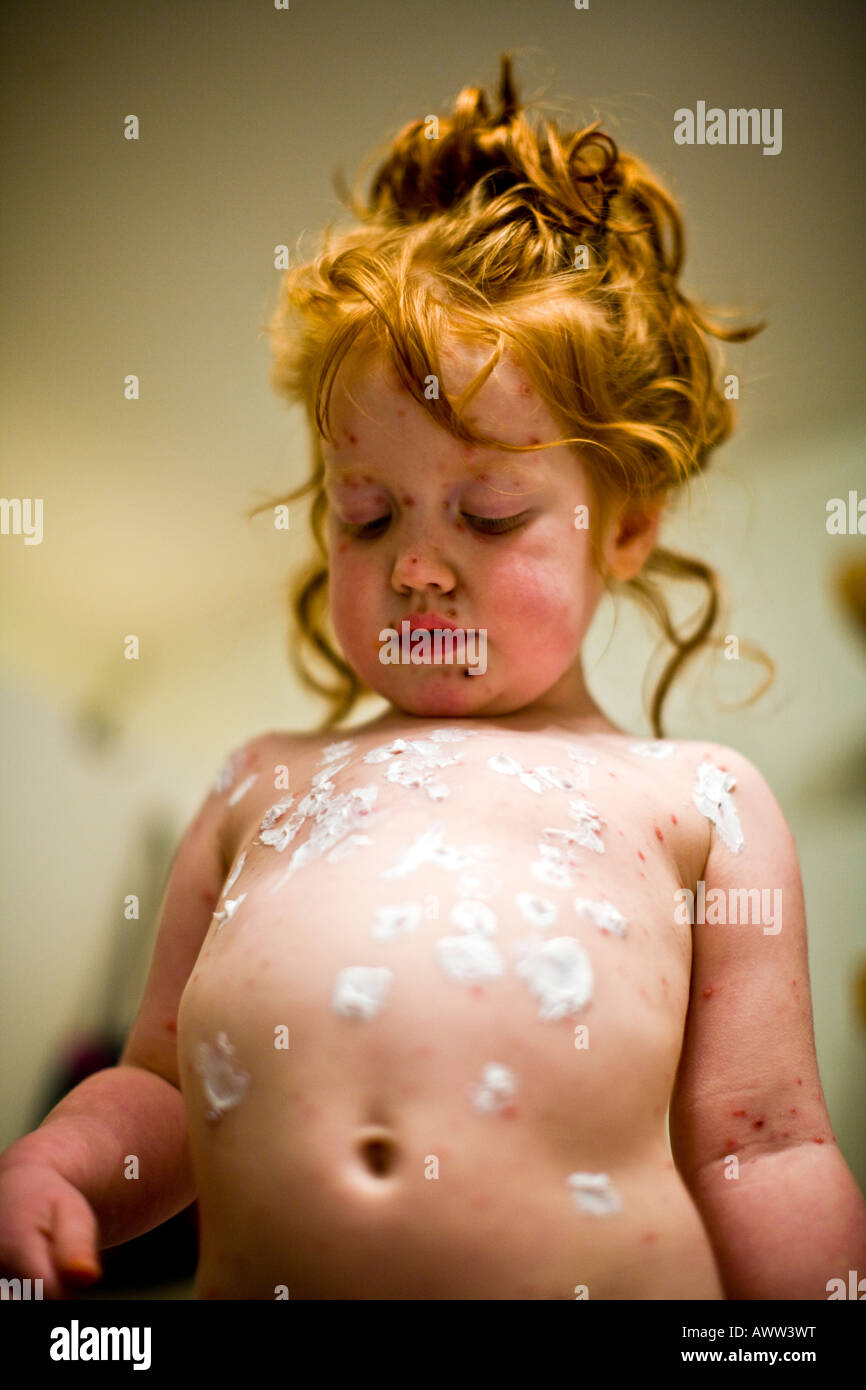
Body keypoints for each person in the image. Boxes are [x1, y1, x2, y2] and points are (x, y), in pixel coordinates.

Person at [2, 54, 863, 1301]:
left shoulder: (697, 801)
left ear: (623, 529)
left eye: (491, 513)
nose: (415, 568)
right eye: (364, 516)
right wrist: (62, 1164)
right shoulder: (259, 785)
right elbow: (162, 1092)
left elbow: (766, 1147)